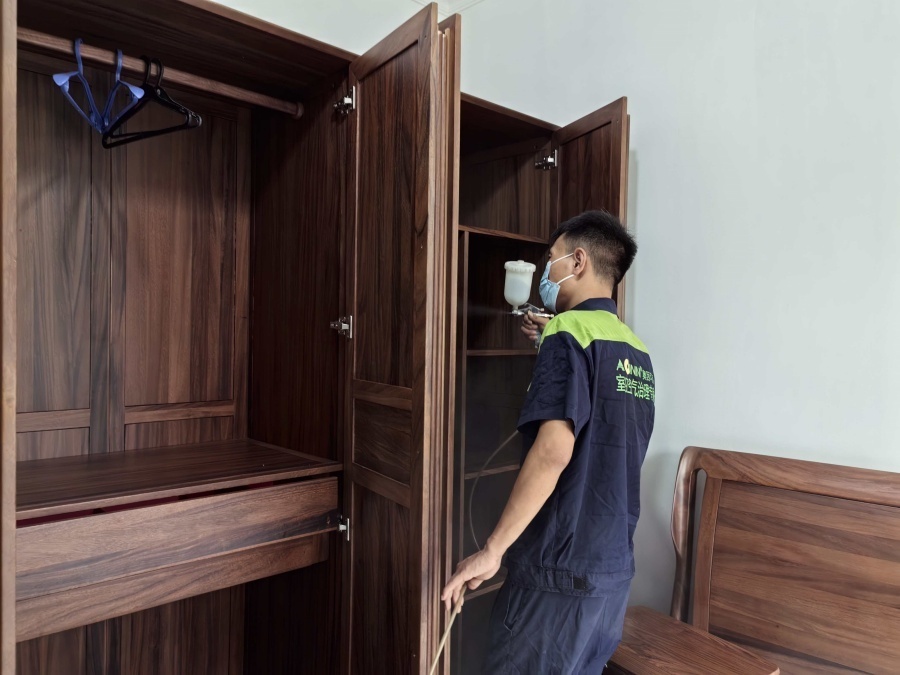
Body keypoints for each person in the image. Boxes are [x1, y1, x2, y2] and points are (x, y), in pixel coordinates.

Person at [441, 210, 655, 674]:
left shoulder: (567, 332)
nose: (545, 273)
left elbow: (555, 450)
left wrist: (492, 550)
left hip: (557, 576)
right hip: (610, 576)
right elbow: (604, 435)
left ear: (578, 261)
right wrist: (549, 350)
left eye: (550, 259)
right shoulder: (635, 350)